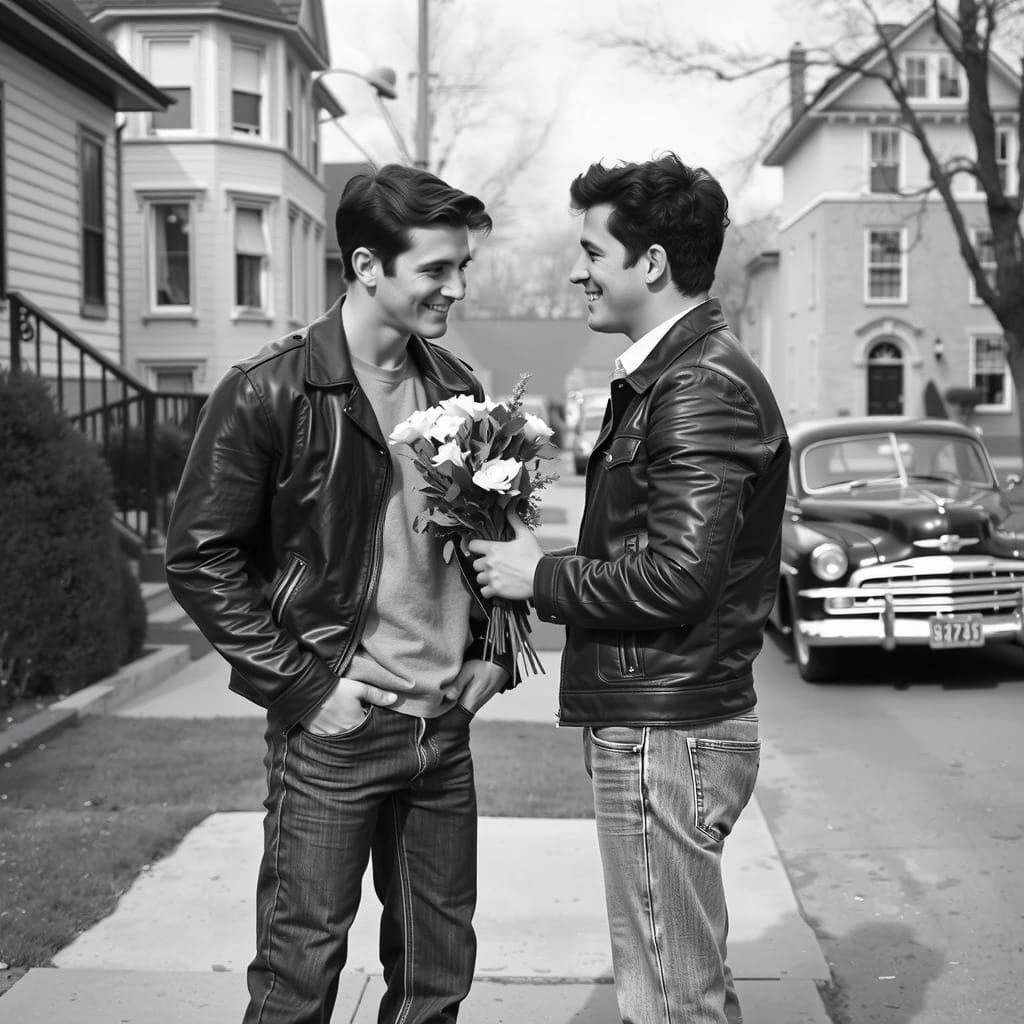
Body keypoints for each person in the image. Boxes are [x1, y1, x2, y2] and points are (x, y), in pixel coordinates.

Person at [165, 163, 512, 1024]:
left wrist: (490, 654)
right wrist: (309, 691)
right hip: (337, 731)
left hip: (444, 732)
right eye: (437, 269)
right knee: (297, 985)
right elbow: (200, 557)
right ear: (366, 267)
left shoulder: (458, 388)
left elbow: (486, 537)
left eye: (461, 267)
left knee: (436, 983)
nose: (456, 287)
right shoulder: (270, 390)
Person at [469, 153, 790, 1024]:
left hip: (667, 729)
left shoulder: (697, 386)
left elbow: (681, 576)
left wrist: (540, 577)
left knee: (673, 997)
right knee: (664, 981)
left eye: (592, 252)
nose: (577, 270)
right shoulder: (671, 376)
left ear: (650, 263)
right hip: (661, 719)